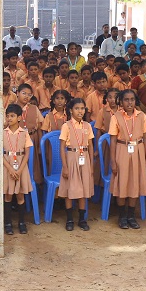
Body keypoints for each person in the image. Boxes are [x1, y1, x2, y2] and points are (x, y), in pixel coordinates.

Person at [108, 89, 146, 230]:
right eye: (126, 99)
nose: (129, 102)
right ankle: (122, 216)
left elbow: (145, 137)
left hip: (138, 150)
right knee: (122, 183)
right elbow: (113, 140)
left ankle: (131, 216)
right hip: (122, 150)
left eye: (132, 99)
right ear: (121, 101)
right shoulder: (116, 117)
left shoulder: (141, 116)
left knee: (134, 183)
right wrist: (113, 161)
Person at [57, 97, 94, 231]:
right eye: (77, 108)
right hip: (71, 157)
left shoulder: (87, 126)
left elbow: (90, 145)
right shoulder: (66, 126)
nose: (80, 111)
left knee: (83, 190)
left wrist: (90, 164)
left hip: (84, 158)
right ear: (71, 110)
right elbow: (62, 147)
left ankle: (82, 219)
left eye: (82, 108)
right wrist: (65, 167)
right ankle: (69, 219)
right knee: (70, 189)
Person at [0, 104, 33, 235]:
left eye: (12, 116)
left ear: (19, 117)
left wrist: (19, 170)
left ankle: (22, 223)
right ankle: (8, 223)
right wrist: (11, 169)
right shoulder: (2, 133)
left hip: (21, 167)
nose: (9, 118)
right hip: (8, 167)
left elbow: (27, 153)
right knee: (8, 195)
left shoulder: (24, 133)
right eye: (7, 116)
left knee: (20, 194)